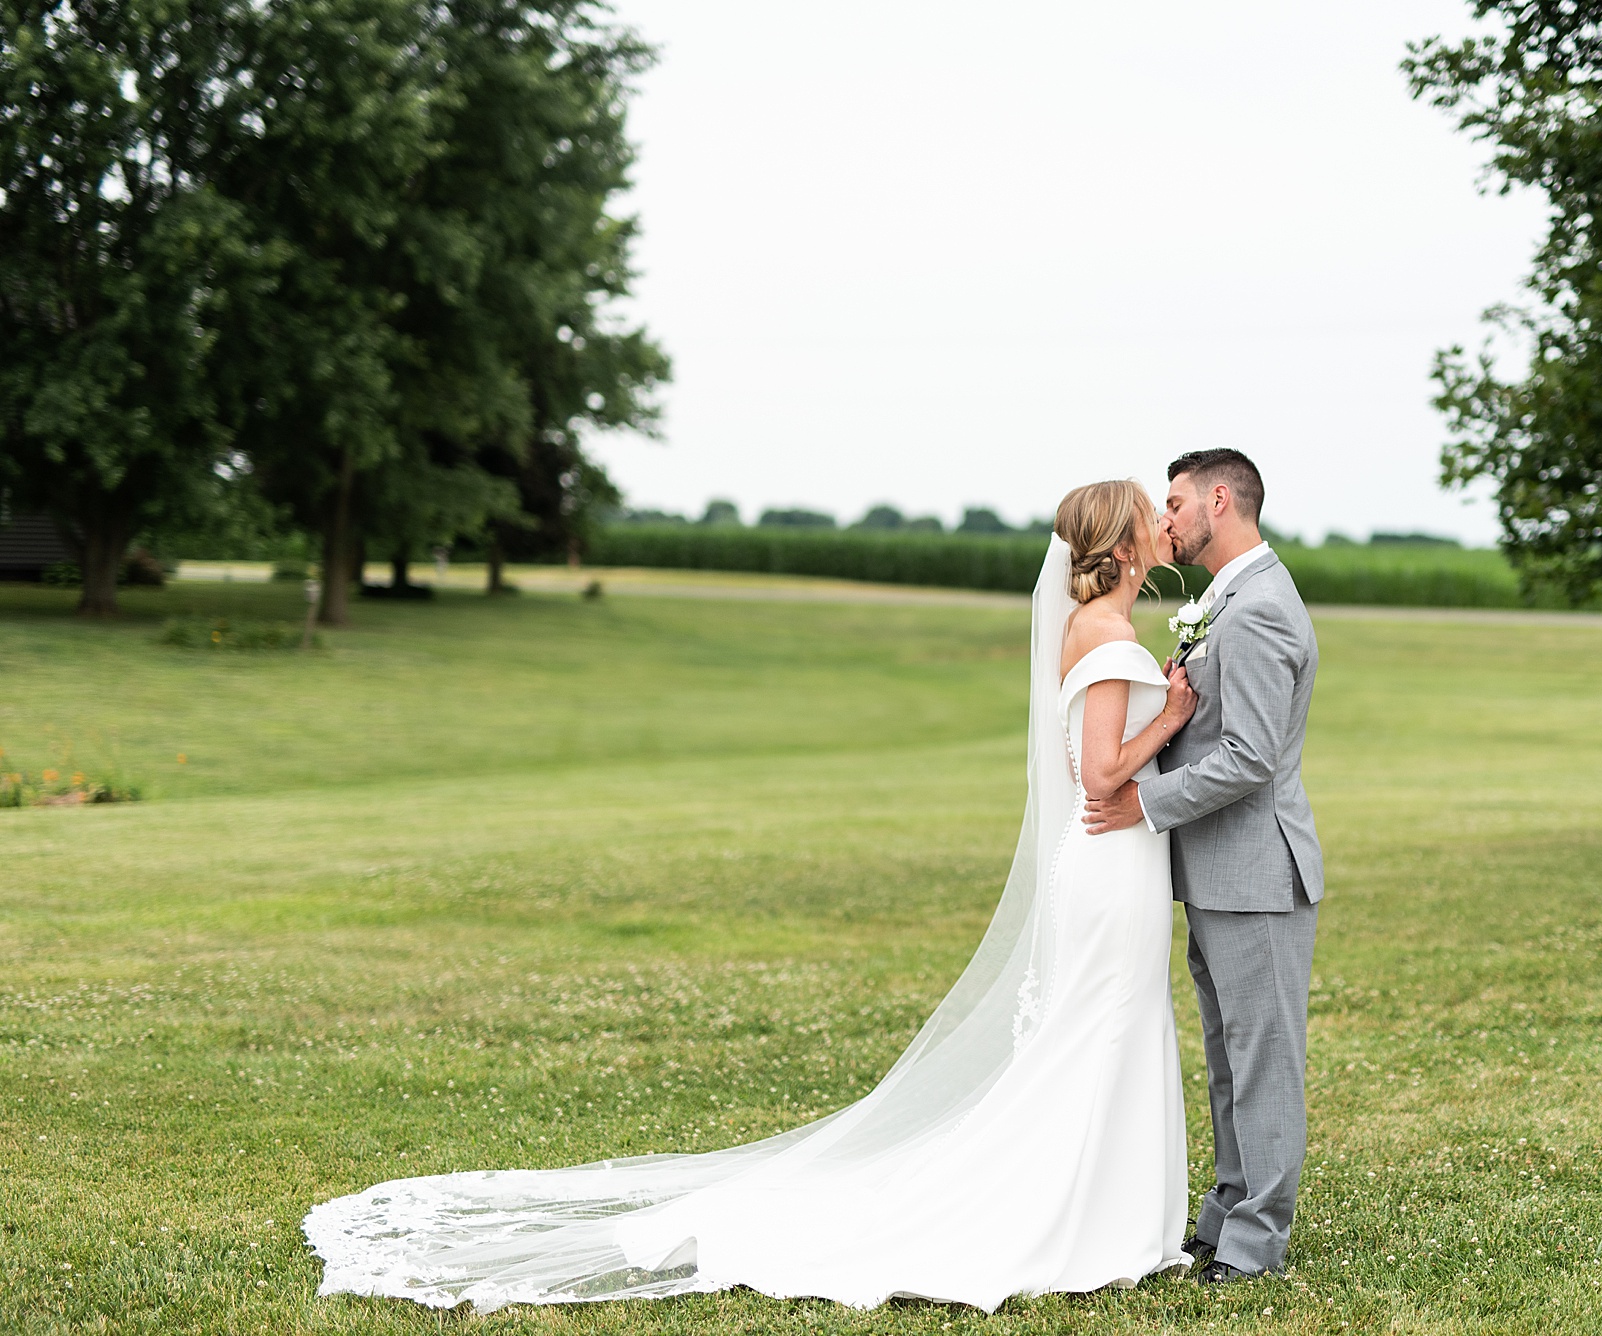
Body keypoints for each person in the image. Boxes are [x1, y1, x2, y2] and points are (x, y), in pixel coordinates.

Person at [303, 479, 1199, 1314]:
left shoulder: (1093, 628)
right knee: (1104, 1024)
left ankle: (1110, 1213)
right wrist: (1172, 714)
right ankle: (1084, 1220)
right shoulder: (1108, 638)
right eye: (1147, 515)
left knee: (1110, 1023)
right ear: (1122, 547)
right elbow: (1099, 776)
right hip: (1109, 860)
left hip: (1111, 863)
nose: (1164, 523)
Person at [1083, 448, 1323, 1284]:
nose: (1166, 521)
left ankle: (1255, 1248)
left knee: (1262, 1063)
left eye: (1176, 503)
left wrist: (1143, 804)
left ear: (1220, 500)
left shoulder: (1257, 610)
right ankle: (1225, 1216)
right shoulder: (1227, 599)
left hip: (1256, 873)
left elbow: (1252, 757)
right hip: (1219, 870)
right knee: (1229, 1058)